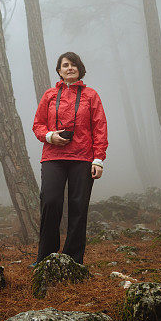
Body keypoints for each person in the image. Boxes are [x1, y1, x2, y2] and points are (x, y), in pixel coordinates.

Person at [32, 52, 108, 265]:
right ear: (59, 70)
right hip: (52, 156)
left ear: (80, 69)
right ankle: (45, 257)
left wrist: (98, 160)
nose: (69, 68)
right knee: (50, 202)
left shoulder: (91, 96)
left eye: (74, 65)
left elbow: (99, 128)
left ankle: (73, 260)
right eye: (65, 65)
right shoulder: (49, 95)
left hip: (83, 158)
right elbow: (37, 124)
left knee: (78, 206)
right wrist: (50, 136)